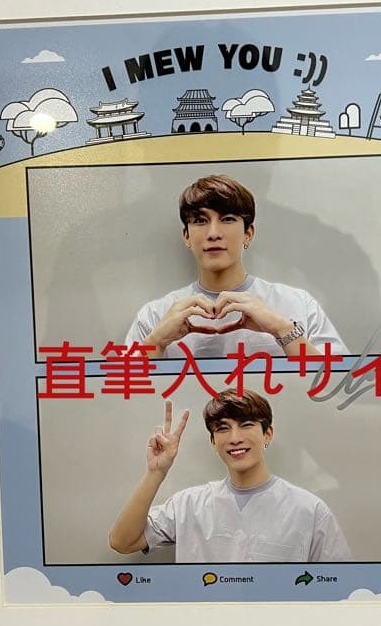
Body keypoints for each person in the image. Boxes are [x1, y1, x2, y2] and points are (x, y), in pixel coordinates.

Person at [108, 390, 351, 563]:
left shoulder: (309, 510)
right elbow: (122, 541)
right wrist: (156, 472)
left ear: (267, 434)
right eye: (223, 428)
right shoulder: (188, 505)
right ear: (213, 442)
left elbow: (339, 585)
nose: (235, 438)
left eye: (246, 425)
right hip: (202, 621)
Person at [124, 174, 347, 359]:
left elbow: (339, 387)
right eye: (200, 220)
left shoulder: (297, 304)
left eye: (228, 219)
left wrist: (283, 330)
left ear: (248, 233)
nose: (213, 234)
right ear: (187, 236)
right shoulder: (155, 315)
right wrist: (156, 343)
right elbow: (120, 394)